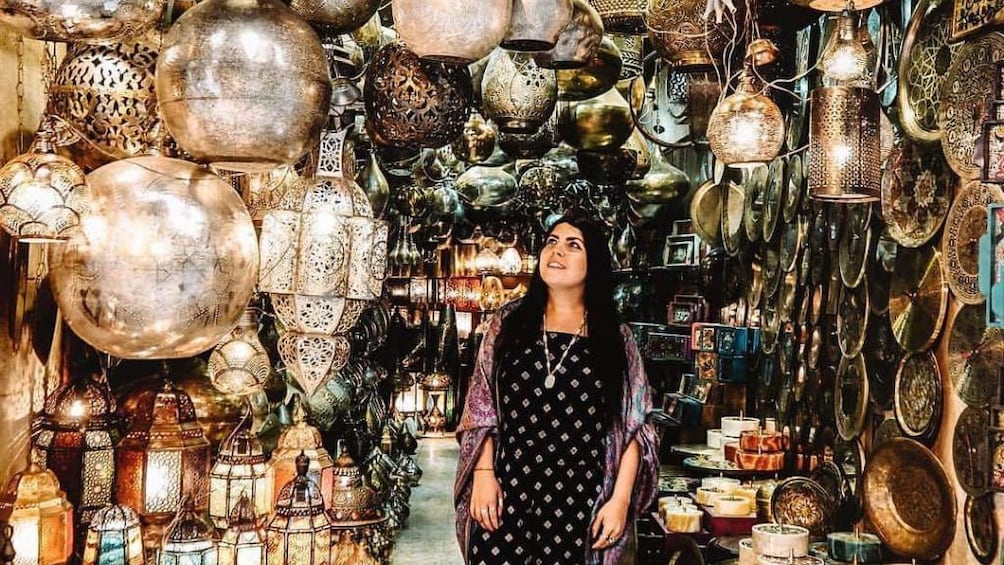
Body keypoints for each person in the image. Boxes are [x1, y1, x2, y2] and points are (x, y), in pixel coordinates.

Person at [453, 214, 659, 565]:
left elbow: (636, 430)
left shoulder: (615, 338)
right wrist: (484, 475)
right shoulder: (508, 324)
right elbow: (480, 407)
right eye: (551, 241)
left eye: (572, 245)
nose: (556, 251)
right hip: (505, 496)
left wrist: (620, 501)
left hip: (581, 503)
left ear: (593, 262)